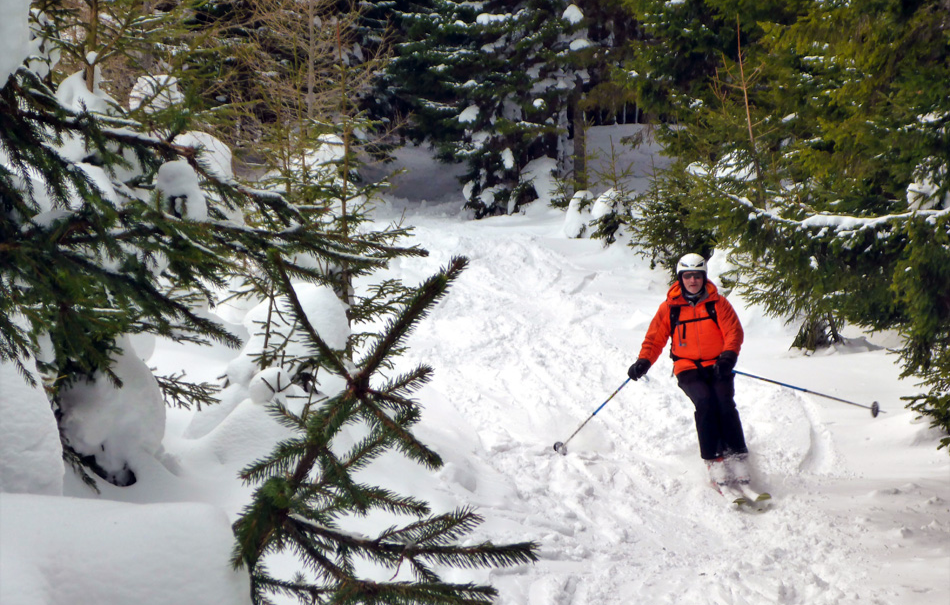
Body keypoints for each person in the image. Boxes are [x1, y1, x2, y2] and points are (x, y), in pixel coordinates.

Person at [627, 253, 751, 492]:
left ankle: (737, 456)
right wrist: (644, 361)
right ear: (680, 278)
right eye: (688, 276)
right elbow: (655, 338)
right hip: (687, 366)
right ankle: (714, 460)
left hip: (718, 364)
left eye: (697, 275)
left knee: (724, 403)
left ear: (704, 277)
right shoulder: (670, 308)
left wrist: (728, 357)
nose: (693, 280)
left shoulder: (718, 303)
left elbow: (733, 332)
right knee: (705, 402)